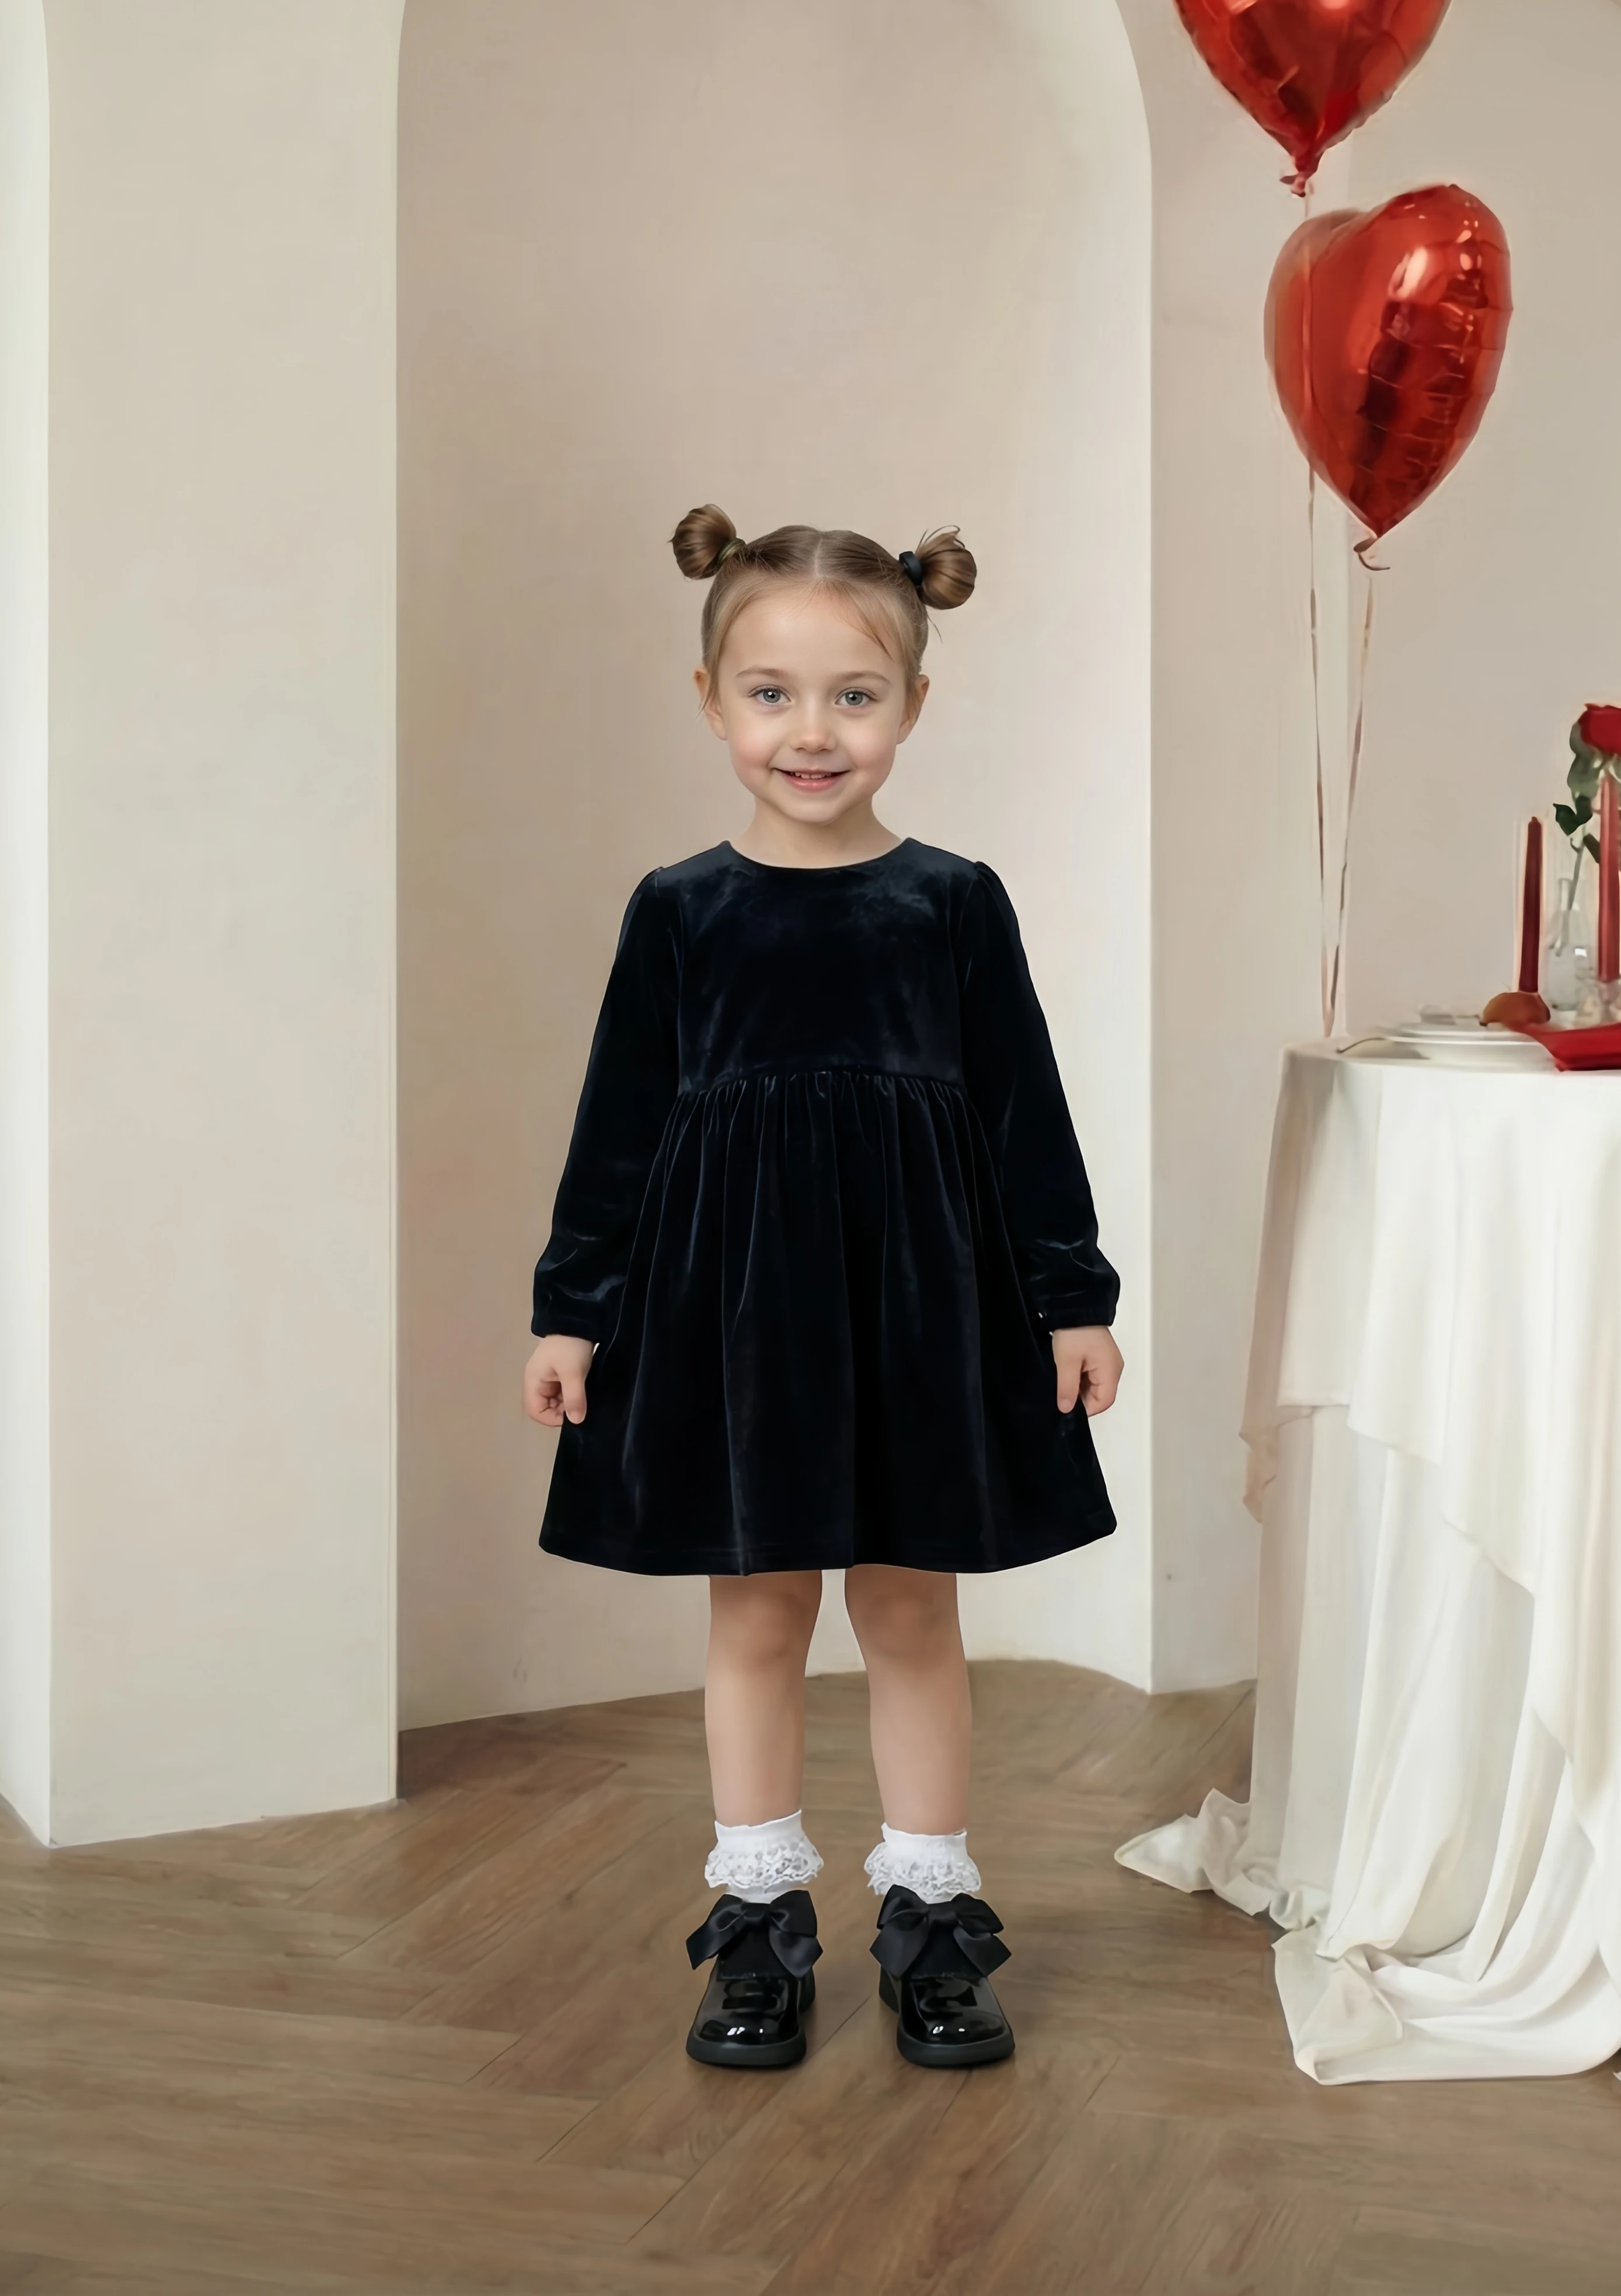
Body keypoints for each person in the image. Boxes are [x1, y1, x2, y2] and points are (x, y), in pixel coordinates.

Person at [522, 507, 1123, 2075]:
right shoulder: (679, 910)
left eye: (854, 696)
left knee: (913, 1606)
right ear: (709, 700)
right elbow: (618, 1124)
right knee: (760, 1608)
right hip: (738, 1316)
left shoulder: (953, 902)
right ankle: (757, 1920)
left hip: (923, 1305)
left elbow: (1026, 1112)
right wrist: (572, 1309)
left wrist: (1070, 1295)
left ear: (913, 703)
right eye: (772, 694)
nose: (813, 731)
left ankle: (931, 1921)